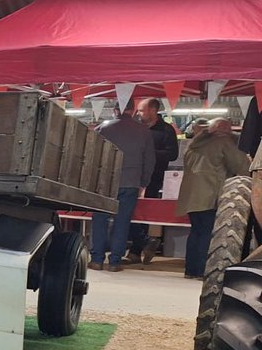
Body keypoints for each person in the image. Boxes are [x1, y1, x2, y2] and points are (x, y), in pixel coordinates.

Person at [176, 117, 250, 279]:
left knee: (195, 232)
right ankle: (203, 270)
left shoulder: (193, 144)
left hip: (191, 196)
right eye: (228, 128)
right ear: (222, 129)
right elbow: (241, 166)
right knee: (207, 234)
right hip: (210, 193)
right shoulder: (223, 142)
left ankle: (190, 270)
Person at [90, 104, 154, 272]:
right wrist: (143, 183)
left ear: (114, 110)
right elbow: (149, 161)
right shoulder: (144, 131)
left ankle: (96, 260)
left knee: (99, 220)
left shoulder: (102, 128)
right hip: (130, 182)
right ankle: (115, 262)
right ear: (133, 110)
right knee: (122, 222)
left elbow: (92, 154)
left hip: (104, 182)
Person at [125, 98, 180, 264]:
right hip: (133, 176)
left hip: (153, 178)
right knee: (129, 212)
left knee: (143, 214)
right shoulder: (136, 128)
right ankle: (143, 242)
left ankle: (136, 250)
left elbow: (172, 155)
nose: (139, 114)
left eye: (142, 110)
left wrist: (149, 153)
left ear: (153, 110)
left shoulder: (166, 130)